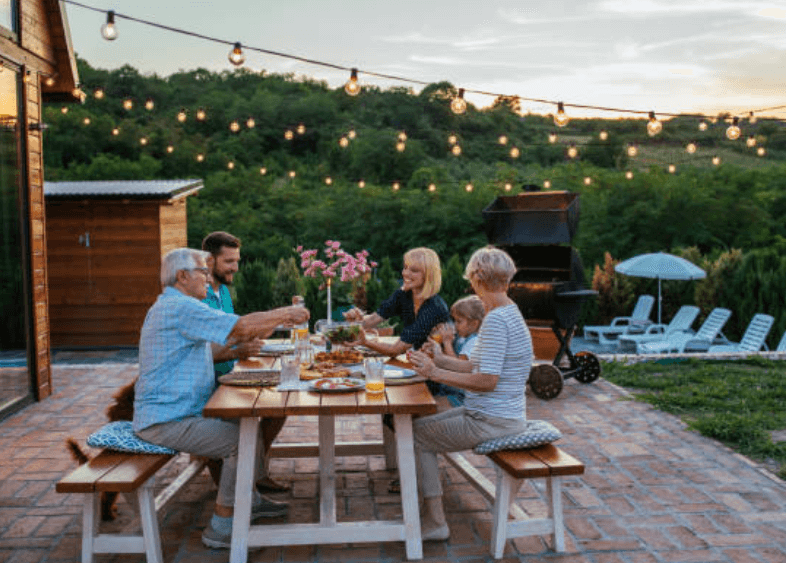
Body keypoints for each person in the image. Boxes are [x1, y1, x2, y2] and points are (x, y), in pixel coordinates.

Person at [133, 248, 309, 549]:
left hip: (181, 412)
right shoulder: (179, 307)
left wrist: (241, 348)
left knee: (251, 421)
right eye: (203, 270)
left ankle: (248, 500)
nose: (207, 276)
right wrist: (284, 313)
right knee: (243, 440)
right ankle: (222, 525)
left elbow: (222, 342)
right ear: (182, 276)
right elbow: (239, 327)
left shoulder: (176, 306)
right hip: (166, 420)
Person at [407, 246, 533, 541]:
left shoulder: (496, 321)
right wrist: (438, 359)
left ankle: (436, 521)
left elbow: (487, 380)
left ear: (477, 278)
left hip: (492, 419)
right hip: (500, 414)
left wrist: (434, 373)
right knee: (419, 428)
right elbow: (475, 365)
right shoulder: (509, 312)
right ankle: (432, 516)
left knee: (415, 436)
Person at [201, 231, 288, 494]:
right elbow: (207, 350)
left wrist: (266, 328)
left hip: (232, 373)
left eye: (237, 260)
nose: (235, 267)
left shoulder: (223, 291)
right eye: (229, 261)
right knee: (245, 417)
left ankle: (255, 468)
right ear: (209, 261)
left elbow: (235, 332)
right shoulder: (199, 296)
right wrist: (240, 350)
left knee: (278, 404)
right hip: (211, 381)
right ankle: (231, 489)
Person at [343, 247, 450, 355]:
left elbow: (396, 350)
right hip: (417, 359)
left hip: (438, 365)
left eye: (414, 270)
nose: (405, 273)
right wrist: (353, 324)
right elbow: (375, 318)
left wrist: (365, 342)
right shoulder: (404, 294)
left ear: (428, 275)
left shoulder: (434, 307)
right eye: (405, 267)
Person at [427, 294, 485, 409]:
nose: (455, 325)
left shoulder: (474, 342)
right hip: (449, 392)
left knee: (422, 408)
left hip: (461, 399)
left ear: (474, 323)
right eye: (454, 320)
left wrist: (447, 342)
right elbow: (445, 361)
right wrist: (438, 346)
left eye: (459, 321)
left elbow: (458, 368)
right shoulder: (462, 338)